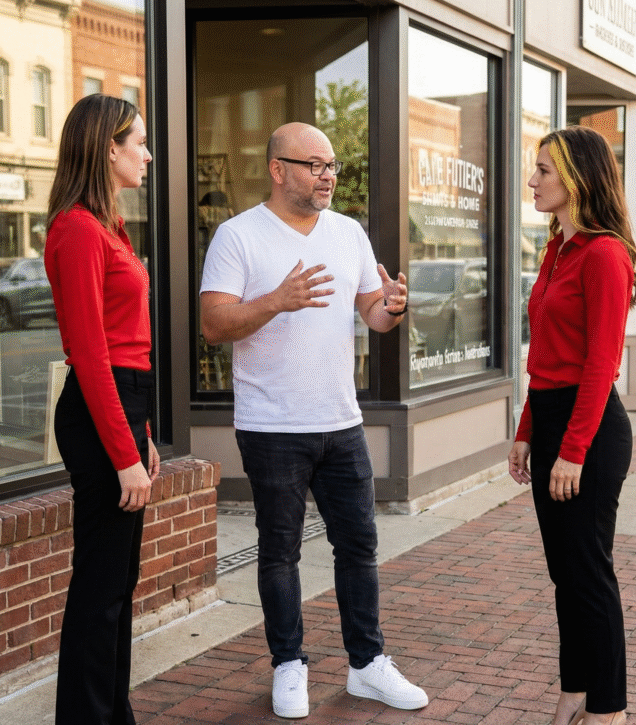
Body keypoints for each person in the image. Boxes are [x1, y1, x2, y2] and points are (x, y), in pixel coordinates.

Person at [199, 122, 428, 719]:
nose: (328, 176)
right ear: (278, 169)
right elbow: (214, 325)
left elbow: (370, 315)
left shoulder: (348, 231)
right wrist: (277, 299)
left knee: (359, 546)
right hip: (272, 425)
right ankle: (289, 665)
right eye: (315, 165)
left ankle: (366, 666)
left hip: (340, 419)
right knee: (280, 551)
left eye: (333, 166)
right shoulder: (237, 235)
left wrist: (390, 306)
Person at [508, 126, 636, 725]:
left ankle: (610, 709)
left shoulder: (605, 254)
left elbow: (600, 363)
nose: (533, 181)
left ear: (577, 179)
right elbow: (544, 357)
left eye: (544, 170)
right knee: (565, 574)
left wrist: (572, 450)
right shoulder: (556, 250)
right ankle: (573, 692)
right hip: (553, 417)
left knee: (589, 573)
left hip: (589, 432)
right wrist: (524, 431)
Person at [44, 94, 159, 725]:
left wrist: (143, 437)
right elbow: (91, 356)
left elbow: (128, 348)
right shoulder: (78, 231)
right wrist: (123, 454)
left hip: (122, 403)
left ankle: (113, 714)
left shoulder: (107, 226)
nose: (147, 153)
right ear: (106, 147)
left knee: (118, 585)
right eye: (138, 141)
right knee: (100, 589)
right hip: (97, 410)